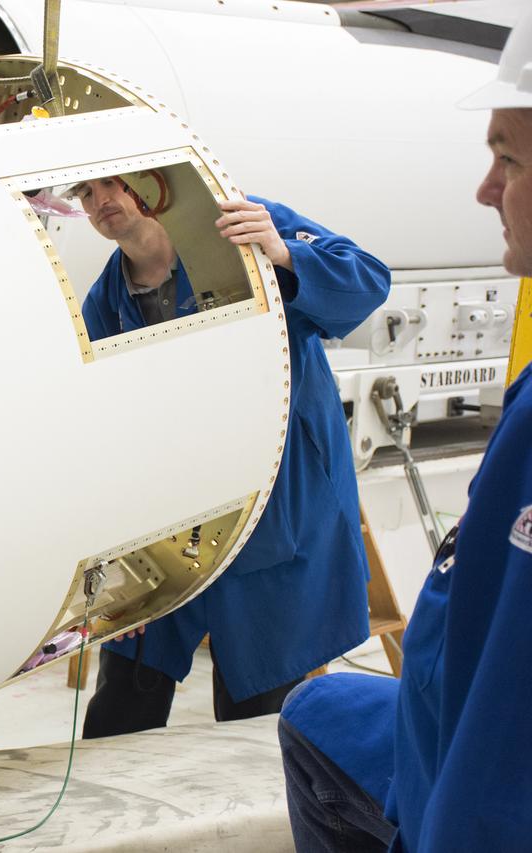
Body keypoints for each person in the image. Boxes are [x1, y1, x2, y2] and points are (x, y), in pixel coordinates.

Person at [278, 14, 532, 851]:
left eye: (510, 158)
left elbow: (501, 731)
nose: (485, 189)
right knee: (318, 707)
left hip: (454, 787)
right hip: (439, 729)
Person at [72, 176, 390, 737]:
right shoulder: (106, 301)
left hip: (273, 512)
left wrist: (284, 253)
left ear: (149, 183)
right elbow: (112, 429)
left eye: (111, 186)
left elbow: (367, 279)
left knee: (255, 714)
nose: (100, 203)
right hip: (173, 521)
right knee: (122, 702)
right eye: (85, 194)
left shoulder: (240, 226)